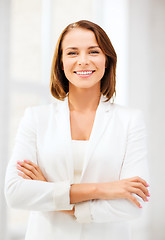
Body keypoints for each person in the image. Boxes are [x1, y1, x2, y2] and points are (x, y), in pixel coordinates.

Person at [5, 20, 150, 240]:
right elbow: (15, 193)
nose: (83, 61)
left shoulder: (130, 120)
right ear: (61, 63)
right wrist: (104, 189)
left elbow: (134, 203)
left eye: (93, 51)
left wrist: (53, 194)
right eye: (72, 53)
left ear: (107, 61)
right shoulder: (36, 118)